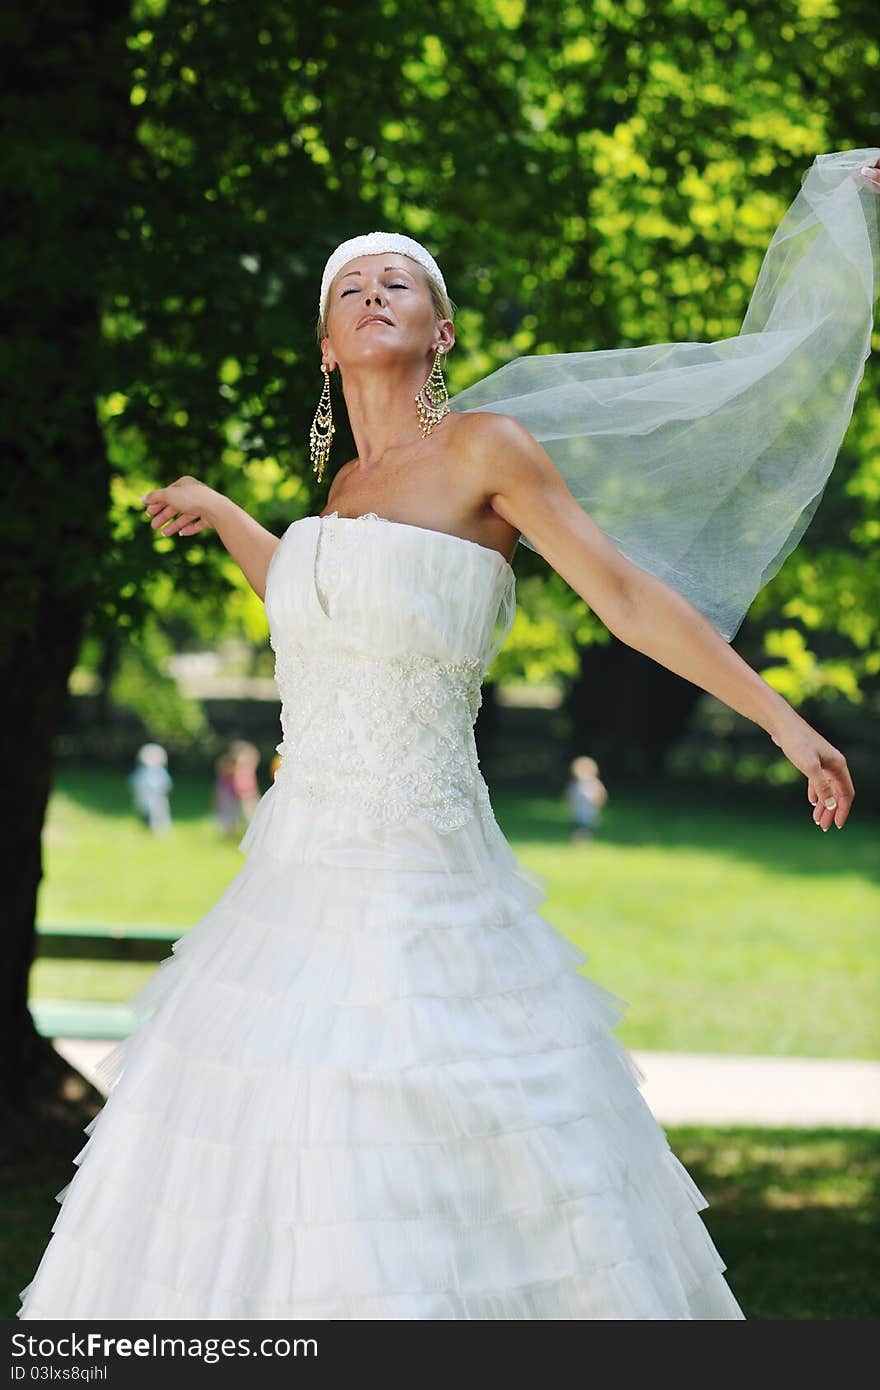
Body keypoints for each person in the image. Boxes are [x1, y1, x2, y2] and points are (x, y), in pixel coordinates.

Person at [19, 152, 879, 1320]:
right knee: (272, 1145)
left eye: (399, 285)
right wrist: (227, 514)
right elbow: (317, 615)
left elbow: (623, 598)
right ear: (326, 345)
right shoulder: (338, 496)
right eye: (349, 288)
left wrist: (782, 719)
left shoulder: (486, 451)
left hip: (425, 877)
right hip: (288, 881)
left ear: (440, 330)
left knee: (420, 1130)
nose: (373, 294)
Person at [127, 742, 173, 837]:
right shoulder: (141, 772)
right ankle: (148, 829)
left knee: (157, 817)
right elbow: (133, 783)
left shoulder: (160, 773)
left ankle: (158, 831)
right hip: (144, 799)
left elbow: (166, 785)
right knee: (145, 815)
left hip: (157, 800)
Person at [565, 755, 608, 845]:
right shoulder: (576, 783)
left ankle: (581, 844)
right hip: (578, 811)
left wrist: (598, 801)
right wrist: (569, 805)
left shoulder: (594, 783)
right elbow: (569, 796)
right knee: (580, 828)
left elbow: (601, 794)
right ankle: (580, 843)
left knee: (584, 829)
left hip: (589, 812)